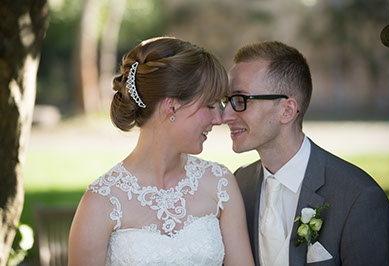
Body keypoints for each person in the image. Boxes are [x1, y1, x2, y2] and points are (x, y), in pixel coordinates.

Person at [68, 37, 254, 266]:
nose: (220, 119)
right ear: (172, 106)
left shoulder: (220, 183)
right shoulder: (101, 201)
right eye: (210, 105)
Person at [221, 40, 389, 266]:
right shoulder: (238, 185)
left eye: (240, 100)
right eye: (226, 101)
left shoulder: (359, 198)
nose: (224, 116)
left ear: (287, 110)